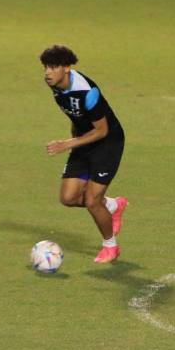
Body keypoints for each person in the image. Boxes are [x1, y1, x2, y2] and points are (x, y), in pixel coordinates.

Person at [40, 45, 128, 263]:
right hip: (84, 139)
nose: (47, 72)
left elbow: (102, 130)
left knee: (91, 201)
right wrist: (75, 142)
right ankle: (112, 205)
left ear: (67, 68)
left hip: (108, 143)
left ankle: (110, 246)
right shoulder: (55, 86)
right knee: (68, 198)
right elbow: (75, 116)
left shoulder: (87, 92)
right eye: (45, 67)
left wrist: (67, 143)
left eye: (53, 67)